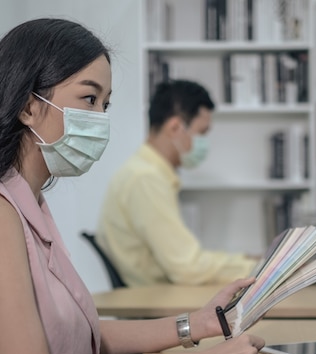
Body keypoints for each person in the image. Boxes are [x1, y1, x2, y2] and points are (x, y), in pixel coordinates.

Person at [0, 19, 264, 354]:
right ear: (28, 106)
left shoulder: (27, 203)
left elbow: (75, 332)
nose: (100, 118)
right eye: (89, 99)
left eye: (105, 104)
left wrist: (196, 324)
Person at [96, 79, 258, 286]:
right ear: (174, 128)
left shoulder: (144, 172)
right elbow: (188, 268)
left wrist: (245, 261)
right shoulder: (146, 179)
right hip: (159, 303)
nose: (204, 143)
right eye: (202, 133)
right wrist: (260, 266)